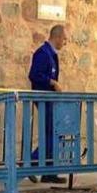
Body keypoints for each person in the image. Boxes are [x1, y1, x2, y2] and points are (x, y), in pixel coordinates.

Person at [27, 25, 68, 184]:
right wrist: (52, 82)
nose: (65, 42)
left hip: (50, 99)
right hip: (44, 99)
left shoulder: (51, 54)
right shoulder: (43, 53)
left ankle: (48, 172)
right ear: (57, 37)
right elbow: (34, 75)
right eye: (64, 39)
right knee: (52, 134)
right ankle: (30, 162)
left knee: (53, 133)